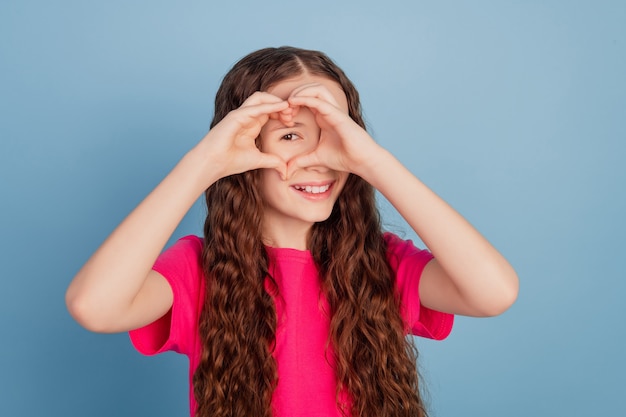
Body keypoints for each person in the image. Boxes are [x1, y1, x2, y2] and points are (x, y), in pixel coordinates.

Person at [65, 46, 519, 417]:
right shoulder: (199, 270)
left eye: (334, 134)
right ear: (241, 146)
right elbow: (94, 306)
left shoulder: (383, 264)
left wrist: (374, 162)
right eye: (290, 136)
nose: (318, 157)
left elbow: (493, 292)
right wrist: (203, 164)